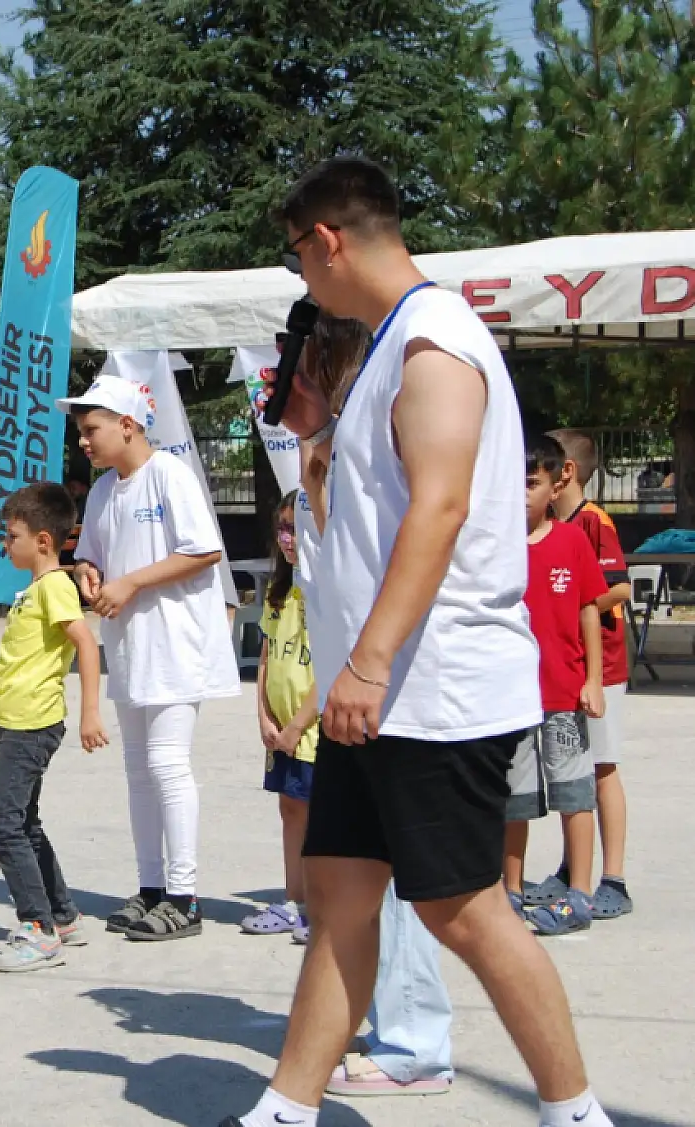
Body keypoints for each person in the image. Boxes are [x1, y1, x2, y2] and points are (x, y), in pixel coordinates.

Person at [222, 157, 612, 1127]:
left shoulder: (434, 342)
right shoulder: (391, 343)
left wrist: (367, 659)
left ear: (325, 240)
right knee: (340, 895)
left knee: (463, 908)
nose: (301, 282)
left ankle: (573, 1110)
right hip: (379, 693)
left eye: (297, 259)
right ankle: (285, 1105)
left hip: (432, 690)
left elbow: (436, 509)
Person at [294, 313, 456, 1099]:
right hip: (346, 703)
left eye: (299, 368)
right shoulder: (322, 463)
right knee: (349, 891)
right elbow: (327, 586)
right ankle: (366, 1029)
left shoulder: (380, 440)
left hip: (391, 696)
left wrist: (366, 670)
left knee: (442, 899)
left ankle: (419, 1043)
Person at [61, 376, 240, 942]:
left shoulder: (170, 476)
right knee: (138, 771)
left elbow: (205, 550)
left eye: (91, 430)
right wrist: (88, 572)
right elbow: (90, 554)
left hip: (175, 645)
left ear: (128, 425)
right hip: (130, 647)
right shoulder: (102, 491)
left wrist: (133, 581)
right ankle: (151, 888)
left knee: (167, 764)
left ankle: (185, 896)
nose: (84, 442)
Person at [0, 482, 109, 972]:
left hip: (32, 725)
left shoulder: (54, 587)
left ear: (43, 542)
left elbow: (86, 645)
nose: (5, 544)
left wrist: (91, 711)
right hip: (14, 718)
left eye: (12, 536)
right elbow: (34, 654)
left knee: (2, 826)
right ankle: (62, 914)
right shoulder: (34, 591)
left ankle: (37, 928)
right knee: (25, 824)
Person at [525, 429, 634, 919]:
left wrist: (575, 601)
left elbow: (620, 589)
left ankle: (614, 878)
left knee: (600, 771)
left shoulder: (592, 523)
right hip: (563, 670)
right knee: (573, 778)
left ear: (562, 473)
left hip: (600, 667)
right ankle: (573, 870)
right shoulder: (552, 525)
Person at [505, 435, 607, 936]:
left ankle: (580, 895)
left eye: (531, 483)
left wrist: (593, 680)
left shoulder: (573, 540)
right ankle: (510, 891)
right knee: (514, 798)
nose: (521, 493)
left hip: (565, 695)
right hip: (510, 700)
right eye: (514, 483)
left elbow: (590, 607)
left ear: (554, 485)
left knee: (574, 794)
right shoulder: (494, 544)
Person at [240, 491, 317, 940]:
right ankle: (296, 899)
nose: (289, 538)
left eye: (298, 528)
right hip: (281, 730)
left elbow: (330, 667)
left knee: (323, 815)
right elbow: (267, 657)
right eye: (283, 529)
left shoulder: (325, 593)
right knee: (291, 810)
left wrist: (296, 726)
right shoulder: (278, 592)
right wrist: (265, 719)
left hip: (313, 731)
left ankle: (324, 905)